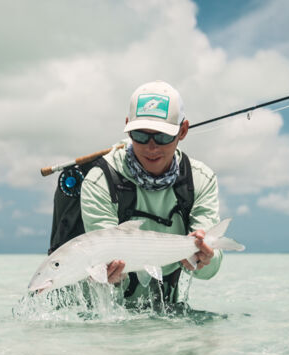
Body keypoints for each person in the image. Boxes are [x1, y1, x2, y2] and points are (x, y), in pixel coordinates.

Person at [80, 80, 222, 307]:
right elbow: (103, 261)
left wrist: (207, 257)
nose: (151, 147)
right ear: (127, 127)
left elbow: (208, 272)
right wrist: (107, 273)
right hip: (107, 314)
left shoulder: (201, 179)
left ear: (182, 131)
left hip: (168, 312)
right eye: (140, 135)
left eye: (163, 136)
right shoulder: (100, 181)